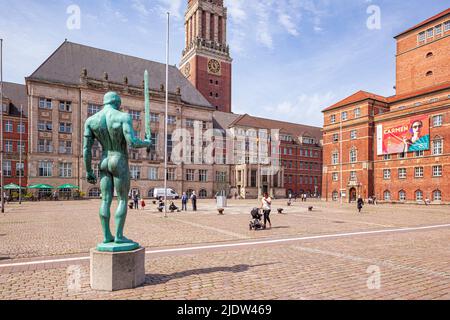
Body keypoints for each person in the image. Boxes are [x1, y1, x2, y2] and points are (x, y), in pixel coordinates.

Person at [84, 91, 151, 245]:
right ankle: (119, 236)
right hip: (119, 159)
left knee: (105, 199)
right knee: (122, 199)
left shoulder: (91, 120)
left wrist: (88, 170)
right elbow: (132, 142)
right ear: (118, 103)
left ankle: (107, 235)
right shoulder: (123, 116)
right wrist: (147, 142)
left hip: (104, 160)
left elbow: (86, 149)